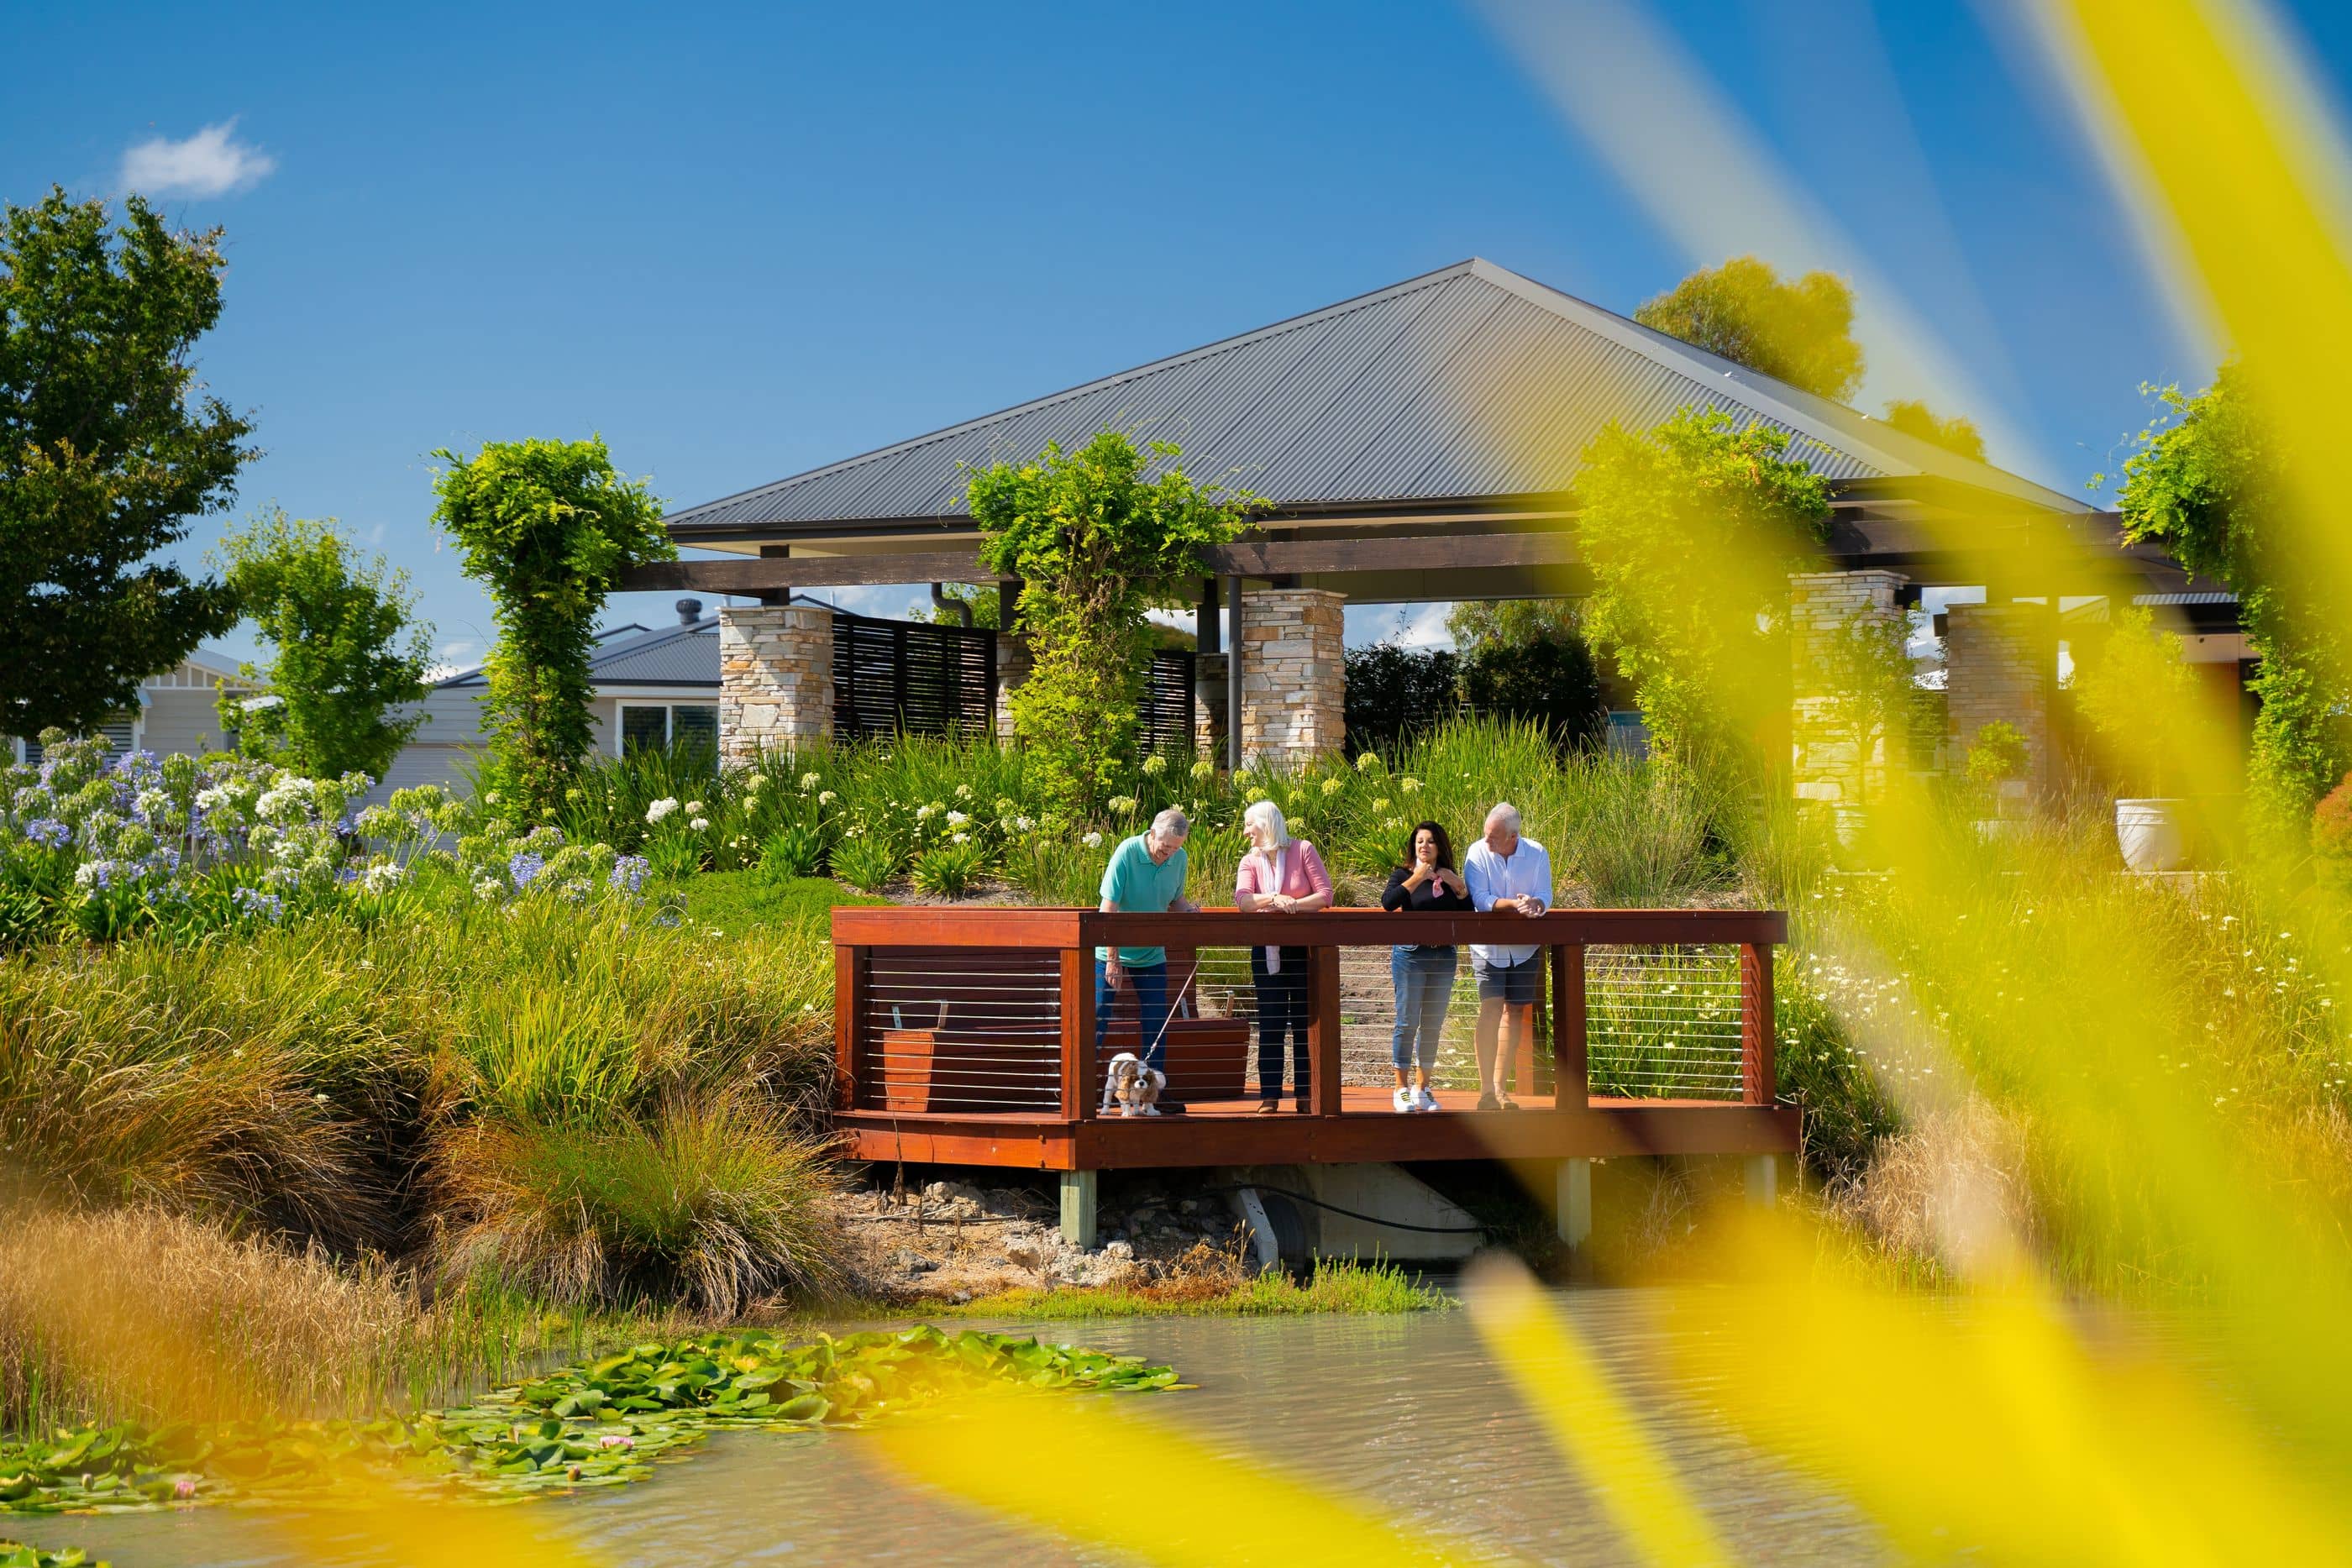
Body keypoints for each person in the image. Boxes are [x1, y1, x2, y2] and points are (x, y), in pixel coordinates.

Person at [1096, 807, 1198, 1109]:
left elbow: (1176, 900)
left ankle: (1153, 1097)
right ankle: (1083, 1094)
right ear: (1151, 833)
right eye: (1165, 847)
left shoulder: (1179, 858)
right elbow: (1108, 910)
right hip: (1111, 953)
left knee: (1156, 1024)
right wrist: (1113, 960)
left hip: (1152, 954)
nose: (1168, 854)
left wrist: (1192, 915)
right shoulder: (1127, 852)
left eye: (1175, 849)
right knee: (1097, 1020)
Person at [1234, 799, 1332, 1114]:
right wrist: (1274, 898)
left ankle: (1305, 1095)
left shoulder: (1303, 849)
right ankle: (1270, 1096)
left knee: (1305, 1023)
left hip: (1303, 950)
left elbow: (1325, 895)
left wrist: (1294, 905)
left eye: (1250, 824)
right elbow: (1244, 901)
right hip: (1267, 950)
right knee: (1271, 1023)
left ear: (1265, 824)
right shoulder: (1250, 861)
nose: (1246, 831)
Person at [1460, 801, 1552, 1111]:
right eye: (1486, 835)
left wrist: (1536, 904)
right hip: (1488, 948)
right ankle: (1486, 1091)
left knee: (1514, 1012)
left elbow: (1545, 895)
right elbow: (1480, 899)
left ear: (1514, 836)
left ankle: (1500, 1088)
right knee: (1491, 1007)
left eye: (1494, 837)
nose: (1487, 841)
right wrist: (1514, 905)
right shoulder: (1476, 853)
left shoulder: (1537, 853)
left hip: (1525, 947)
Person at [1382, 819, 1472, 1113]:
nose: (1424, 846)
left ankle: (1423, 1088)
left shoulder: (1448, 876)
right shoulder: (1402, 874)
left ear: (1439, 846)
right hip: (1411, 956)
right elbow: (1388, 903)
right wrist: (1418, 877)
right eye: (1420, 841)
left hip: (1443, 957)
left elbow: (1467, 914)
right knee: (1407, 1022)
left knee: (1433, 1024)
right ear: (1413, 846)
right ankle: (1401, 1088)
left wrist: (1457, 886)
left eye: (1430, 841)